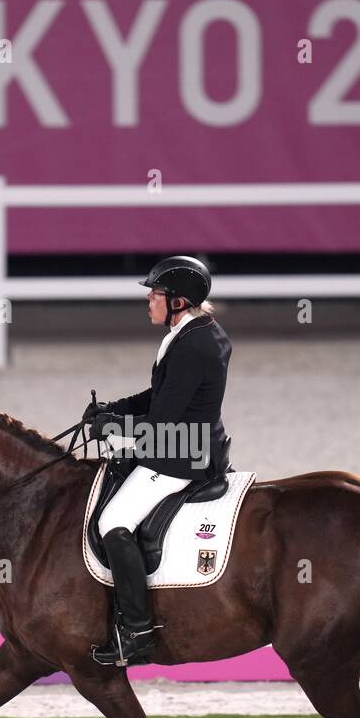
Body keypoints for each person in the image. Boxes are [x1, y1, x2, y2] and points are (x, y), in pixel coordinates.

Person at [84, 255, 232, 665]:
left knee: (112, 522)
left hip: (181, 453)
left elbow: (165, 418)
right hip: (182, 439)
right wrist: (114, 409)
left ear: (179, 301)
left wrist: (115, 426)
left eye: (156, 294)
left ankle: (136, 630)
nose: (149, 300)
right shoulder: (192, 332)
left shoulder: (195, 345)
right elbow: (160, 397)